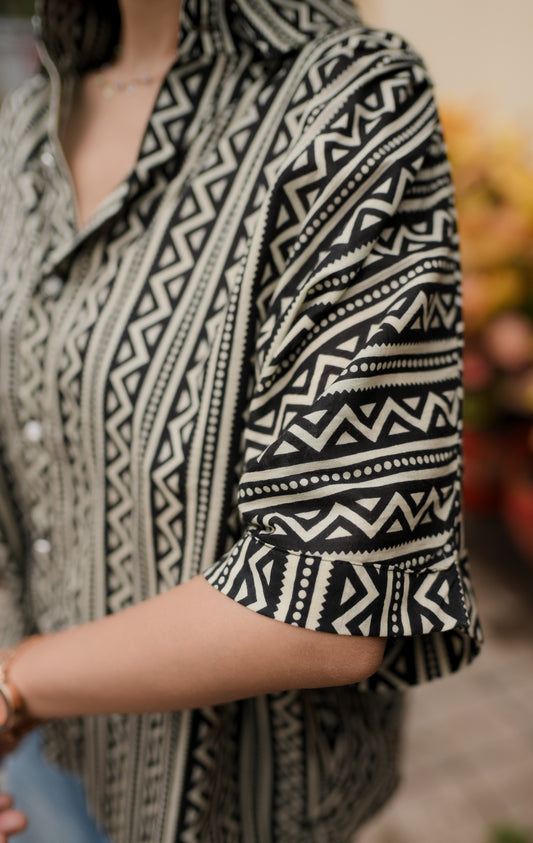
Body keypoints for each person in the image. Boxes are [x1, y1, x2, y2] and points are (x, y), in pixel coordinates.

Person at [0, 0, 482, 840]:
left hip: (223, 804)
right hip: (38, 756)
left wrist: (17, 681)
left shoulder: (344, 97)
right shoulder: (27, 120)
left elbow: (326, 598)